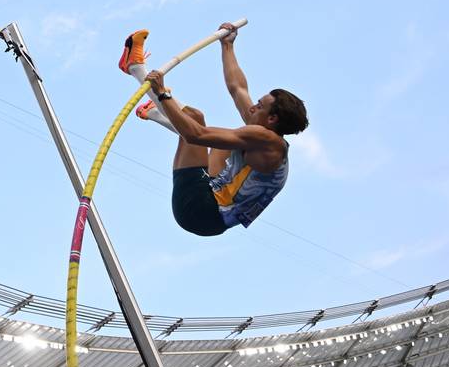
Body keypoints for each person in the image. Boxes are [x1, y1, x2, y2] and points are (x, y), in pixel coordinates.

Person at [117, 24, 308, 236]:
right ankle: (155, 113)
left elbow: (195, 135)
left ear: (272, 118)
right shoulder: (261, 128)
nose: (253, 106)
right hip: (212, 201)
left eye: (260, 105)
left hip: (201, 211)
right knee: (219, 138)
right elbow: (238, 89)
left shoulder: (267, 141)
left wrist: (162, 92)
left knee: (194, 119)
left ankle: (136, 68)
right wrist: (227, 46)